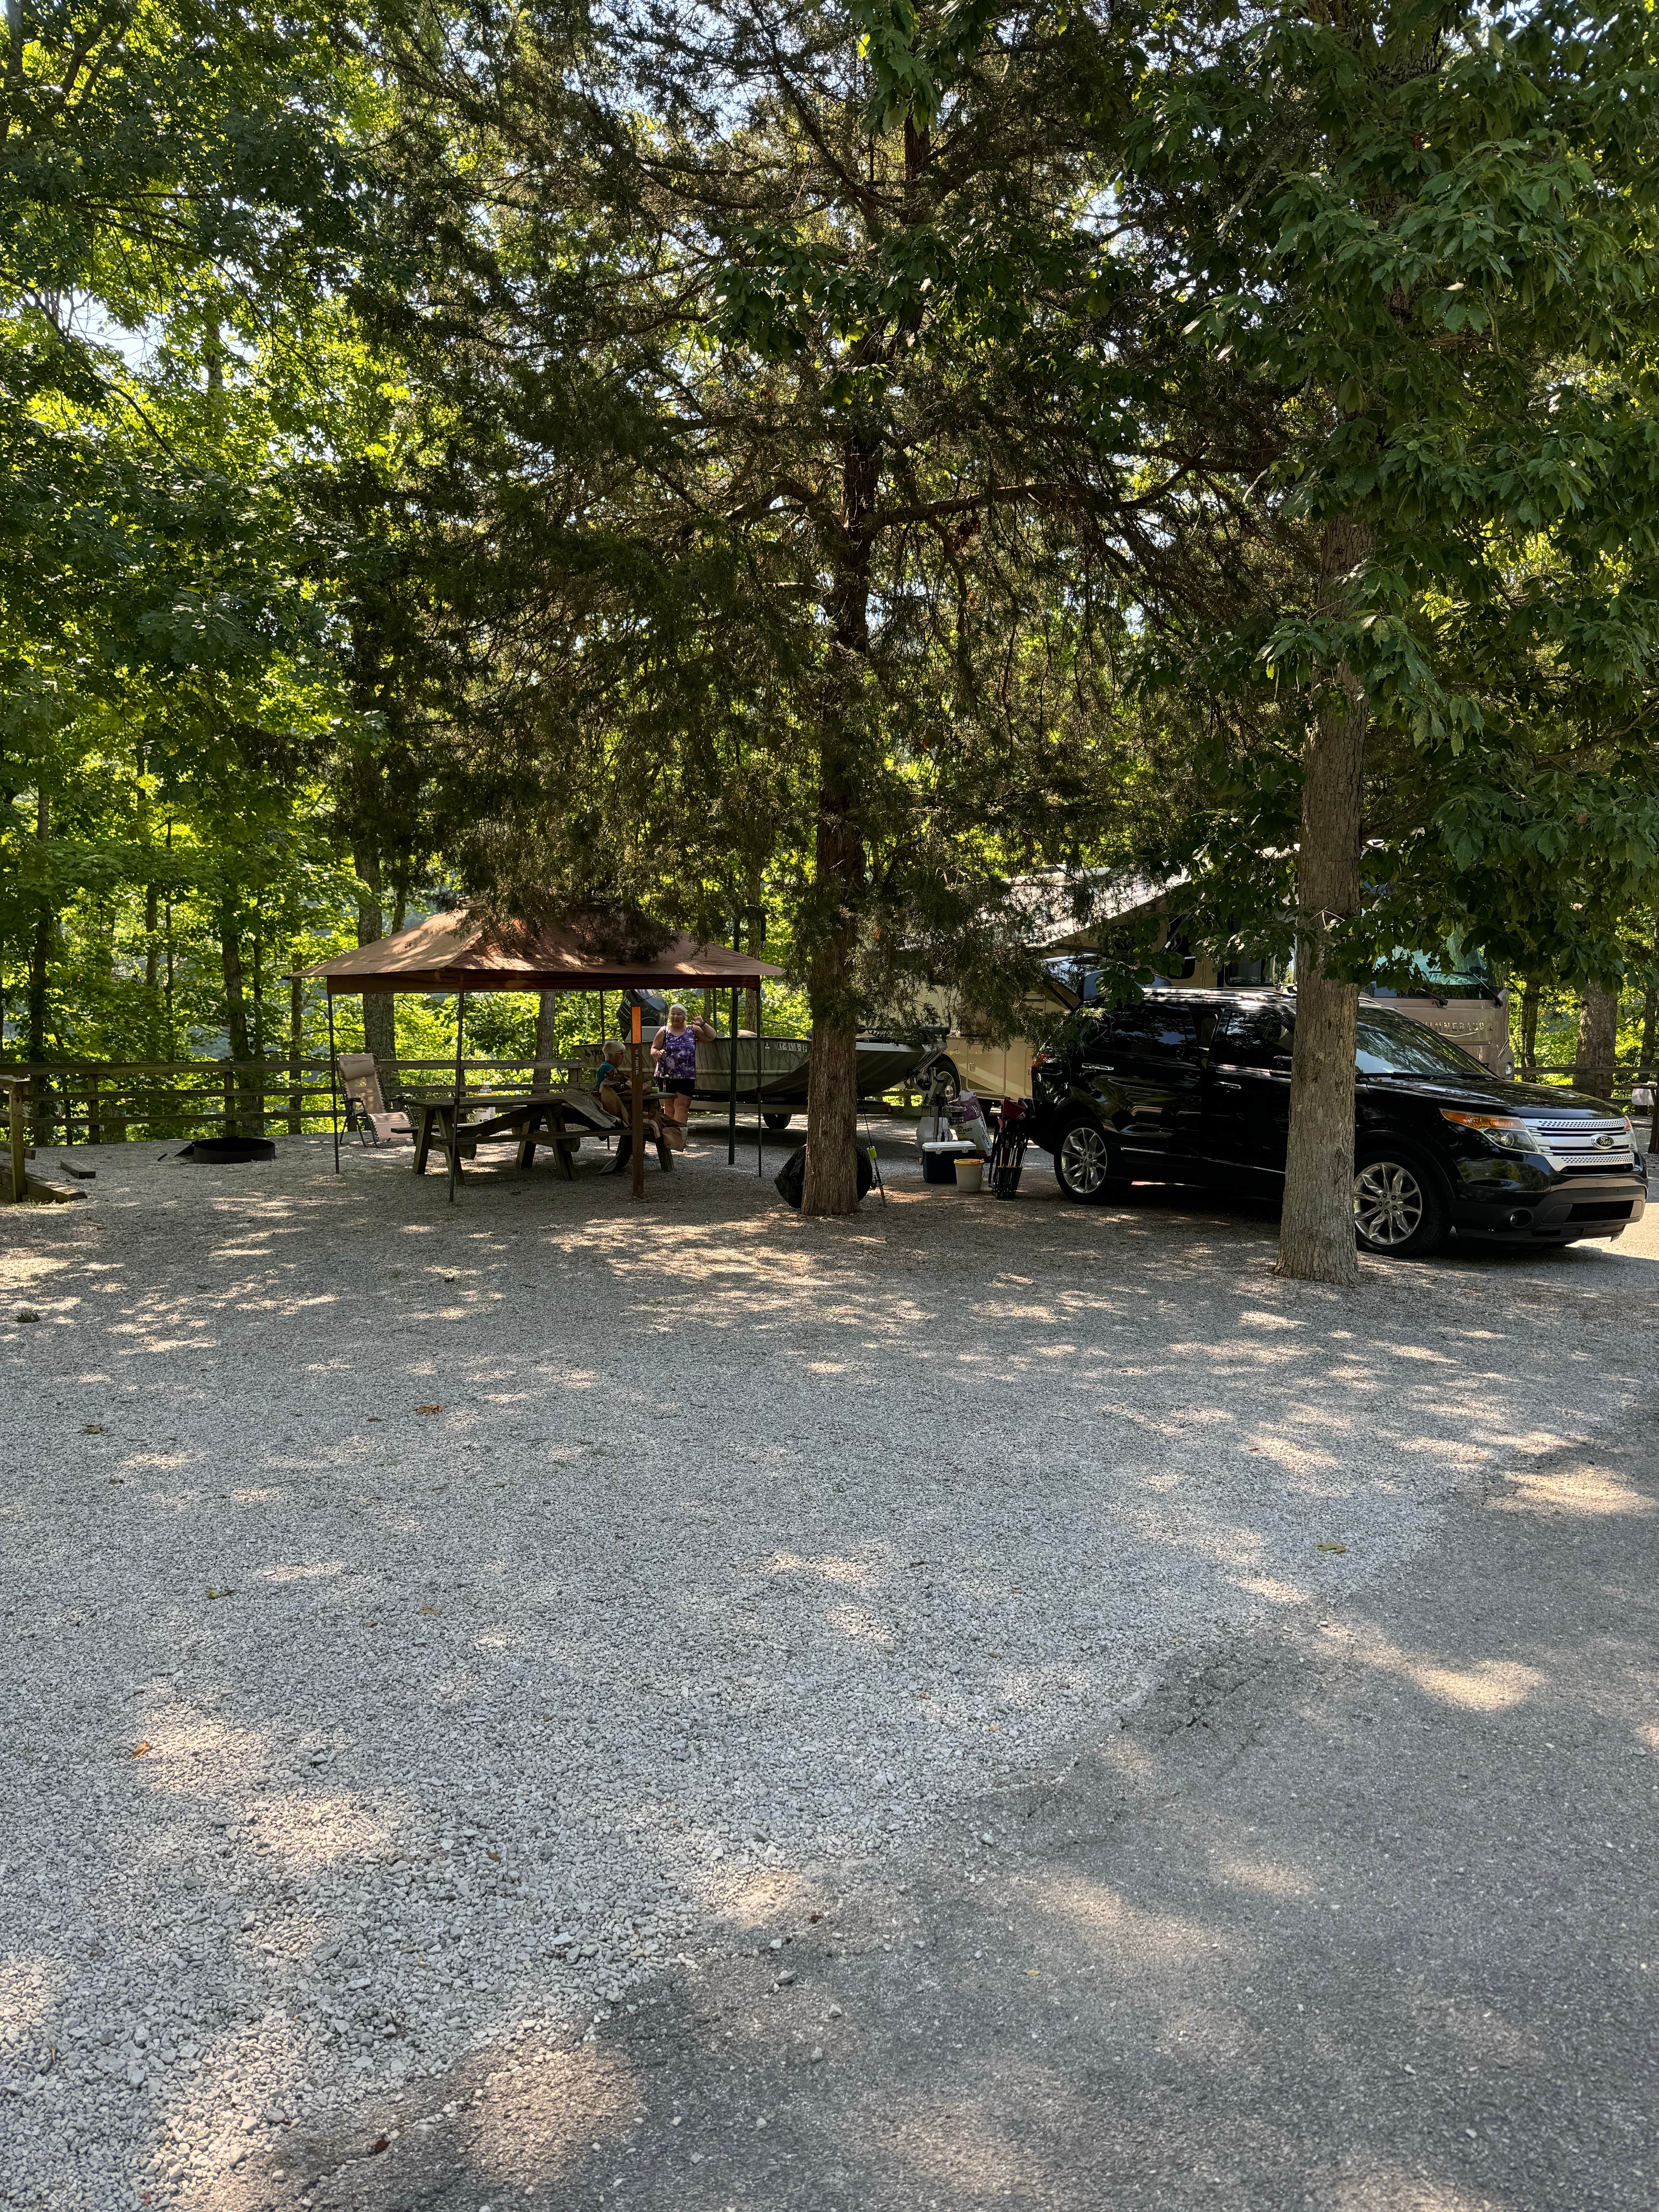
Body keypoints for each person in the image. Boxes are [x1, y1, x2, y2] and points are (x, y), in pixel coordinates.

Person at [649, 1003, 713, 1150]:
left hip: (686, 1075)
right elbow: (653, 1049)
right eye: (673, 1014)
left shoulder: (693, 1030)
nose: (675, 1017)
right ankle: (669, 1138)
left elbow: (711, 1037)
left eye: (679, 1014)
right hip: (666, 1075)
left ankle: (679, 1139)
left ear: (684, 1017)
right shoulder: (664, 1031)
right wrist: (658, 1054)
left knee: (683, 1107)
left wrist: (703, 1024)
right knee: (669, 1106)